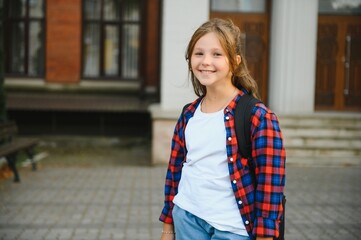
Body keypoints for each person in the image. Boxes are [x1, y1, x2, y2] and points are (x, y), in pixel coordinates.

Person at [159, 18, 286, 240]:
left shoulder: (258, 117)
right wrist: (168, 228)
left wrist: (265, 237)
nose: (205, 61)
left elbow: (270, 184)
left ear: (235, 62)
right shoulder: (189, 114)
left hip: (232, 230)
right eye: (199, 53)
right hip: (186, 219)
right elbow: (174, 173)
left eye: (217, 54)